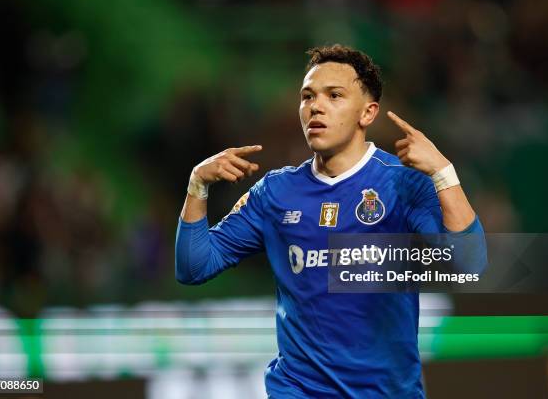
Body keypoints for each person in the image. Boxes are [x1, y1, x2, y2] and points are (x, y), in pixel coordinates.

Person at [175, 44, 485, 398]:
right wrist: (197, 186)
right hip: (298, 389)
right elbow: (194, 267)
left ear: (367, 113)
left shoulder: (402, 183)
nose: (315, 107)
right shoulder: (276, 193)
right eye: (307, 97)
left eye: (334, 95)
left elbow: (469, 264)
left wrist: (444, 173)